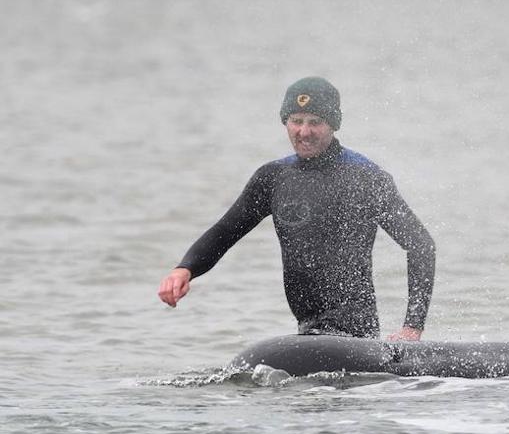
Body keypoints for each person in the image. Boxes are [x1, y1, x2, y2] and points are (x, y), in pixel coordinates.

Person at [157, 76, 436, 340]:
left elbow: (421, 245)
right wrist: (185, 269)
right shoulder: (274, 178)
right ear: (285, 122)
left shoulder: (365, 177)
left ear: (333, 124)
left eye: (315, 122)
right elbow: (226, 231)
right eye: (296, 121)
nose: (304, 132)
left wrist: (412, 327)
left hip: (356, 336)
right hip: (307, 331)